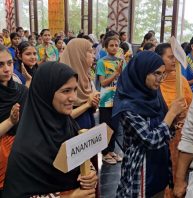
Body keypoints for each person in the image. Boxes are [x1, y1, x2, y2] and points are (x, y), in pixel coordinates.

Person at [3, 62, 97, 198]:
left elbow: (80, 159)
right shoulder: (25, 149)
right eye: (66, 91)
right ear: (45, 92)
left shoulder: (69, 126)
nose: (73, 98)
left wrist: (90, 174)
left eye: (75, 89)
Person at [113, 51, 186, 197]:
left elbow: (164, 132)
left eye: (163, 74)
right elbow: (150, 139)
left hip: (159, 166)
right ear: (141, 72)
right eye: (156, 73)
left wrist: (174, 122)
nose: (160, 79)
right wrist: (171, 114)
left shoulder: (154, 96)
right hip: (141, 171)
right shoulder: (128, 105)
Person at [155, 43, 193, 198]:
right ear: (159, 58)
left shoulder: (182, 81)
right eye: (170, 57)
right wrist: (172, 112)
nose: (174, 61)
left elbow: (191, 104)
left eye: (176, 58)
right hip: (160, 135)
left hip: (180, 134)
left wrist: (185, 114)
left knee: (178, 172)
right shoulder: (154, 82)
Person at [60, 38, 100, 182]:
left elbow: (91, 107)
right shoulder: (63, 81)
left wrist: (94, 104)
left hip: (87, 127)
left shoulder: (86, 77)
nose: (93, 56)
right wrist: (88, 104)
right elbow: (65, 116)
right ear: (78, 55)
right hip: (73, 131)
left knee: (91, 173)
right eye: (90, 52)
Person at [0, 44, 28, 196]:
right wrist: (10, 121)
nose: (7, 69)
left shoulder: (22, 90)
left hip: (20, 154)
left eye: (9, 63)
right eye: (0, 64)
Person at [97, 36, 126, 164]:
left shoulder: (120, 61)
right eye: (111, 45)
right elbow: (103, 83)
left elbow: (124, 79)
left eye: (116, 45)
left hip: (118, 98)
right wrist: (116, 74)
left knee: (115, 126)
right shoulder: (101, 62)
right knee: (106, 126)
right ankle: (104, 152)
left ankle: (112, 150)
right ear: (106, 47)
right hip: (105, 99)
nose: (114, 48)